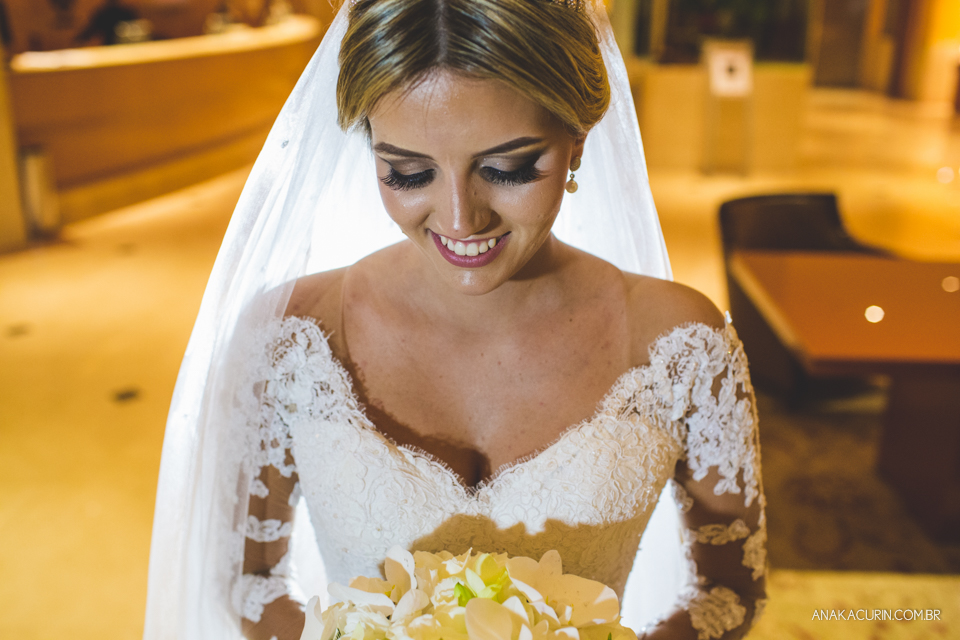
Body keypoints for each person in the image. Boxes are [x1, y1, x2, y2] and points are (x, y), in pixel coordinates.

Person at [143, 1, 767, 639]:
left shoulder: (680, 341)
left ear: (577, 139)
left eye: (507, 168)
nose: (460, 220)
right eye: (408, 173)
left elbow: (728, 591)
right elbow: (248, 581)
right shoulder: (294, 335)